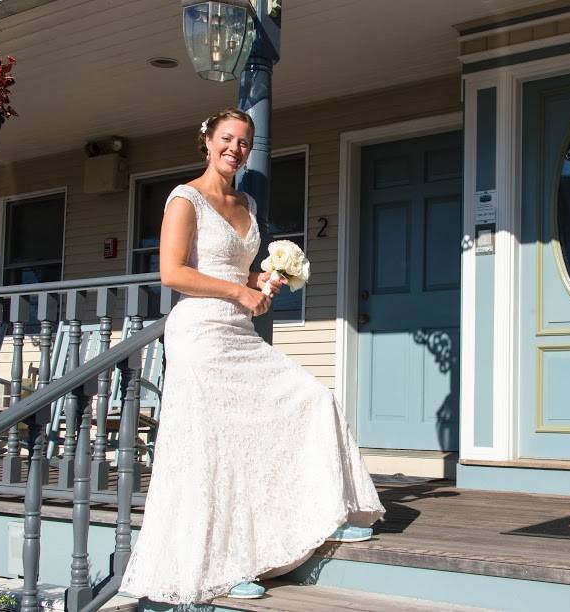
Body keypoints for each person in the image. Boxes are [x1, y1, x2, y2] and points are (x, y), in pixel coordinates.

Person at [120, 108, 385, 604]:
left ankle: (326, 512)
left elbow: (235, 272)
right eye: (227, 138)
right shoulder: (185, 199)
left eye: (244, 142)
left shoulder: (247, 202)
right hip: (199, 334)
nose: (235, 149)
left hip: (238, 334)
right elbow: (173, 272)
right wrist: (239, 292)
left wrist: (258, 283)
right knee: (213, 450)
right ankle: (219, 567)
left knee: (310, 397)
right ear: (207, 141)